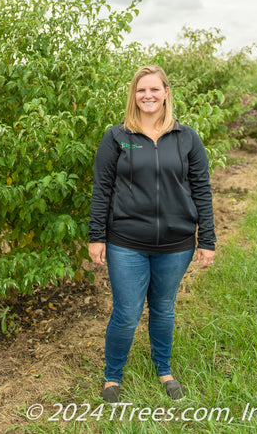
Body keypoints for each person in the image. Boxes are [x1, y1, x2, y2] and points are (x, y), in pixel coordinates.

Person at [88, 65, 216, 403]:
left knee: (163, 307)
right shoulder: (117, 138)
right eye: (141, 90)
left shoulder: (186, 137)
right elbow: (101, 189)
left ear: (166, 93)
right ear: (134, 95)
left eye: (154, 90)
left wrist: (208, 239)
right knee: (127, 312)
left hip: (176, 244)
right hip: (126, 241)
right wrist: (96, 236)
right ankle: (112, 376)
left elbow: (202, 189)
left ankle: (164, 369)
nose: (148, 95)